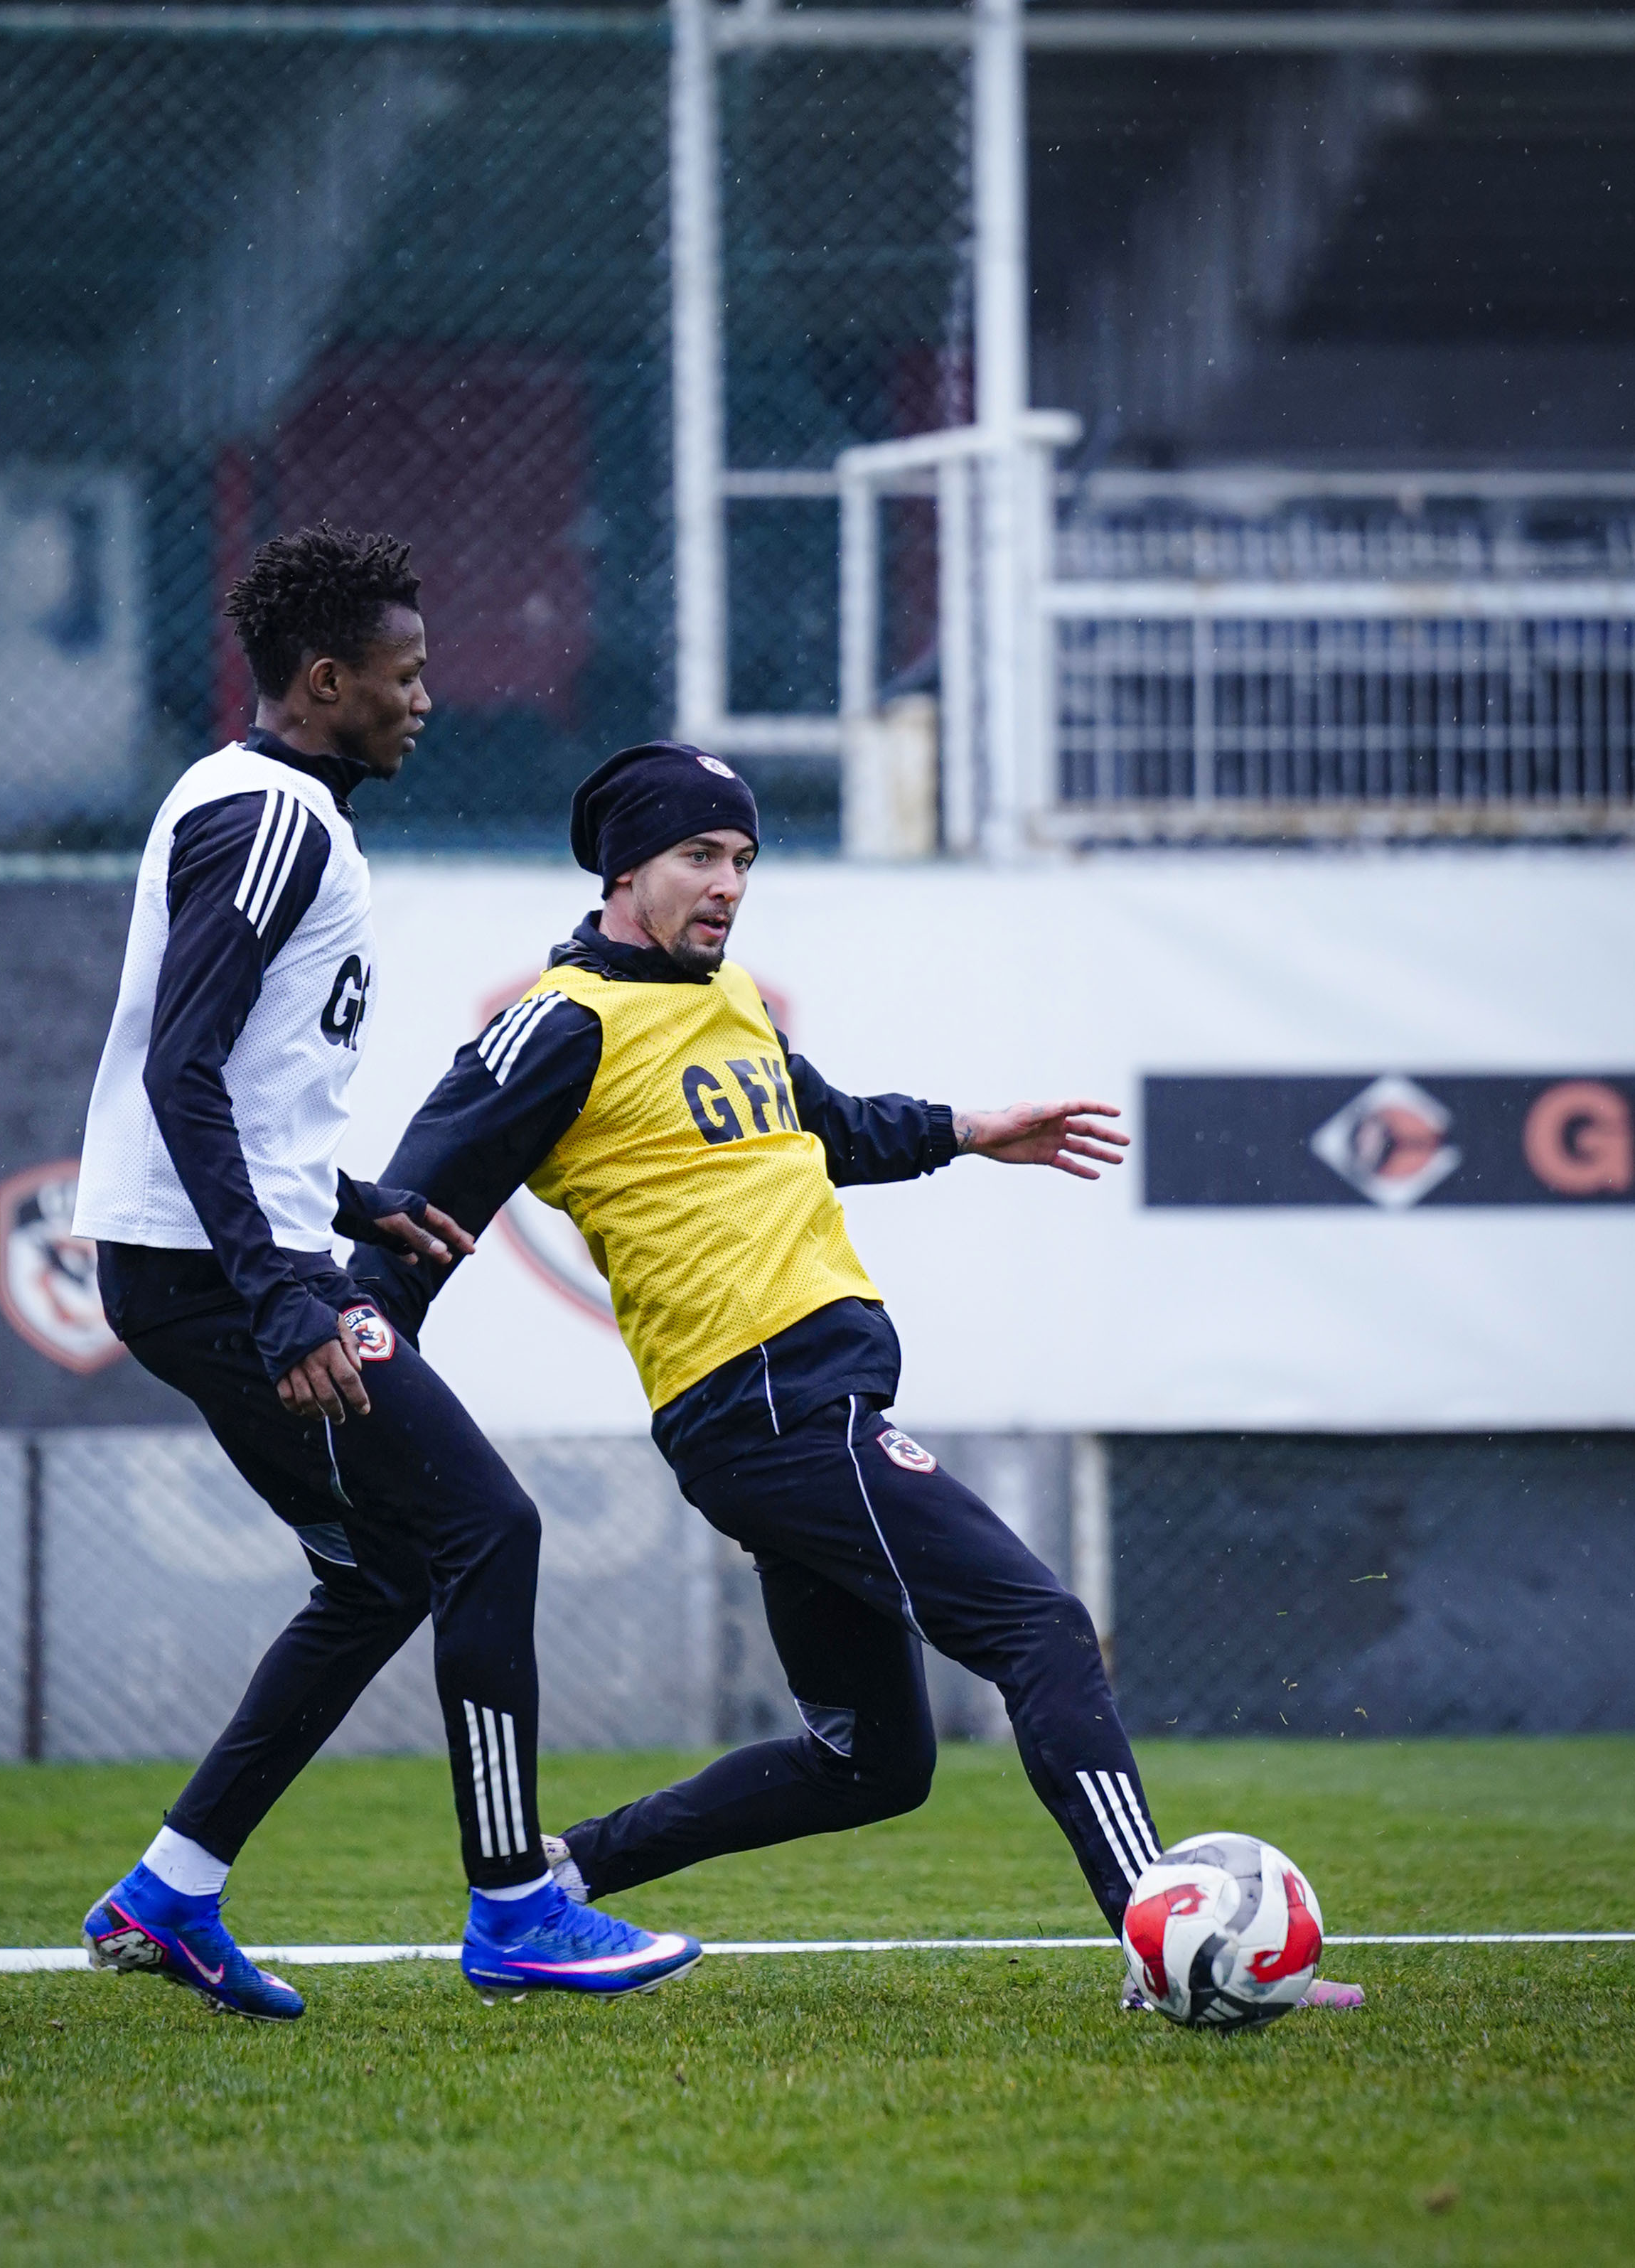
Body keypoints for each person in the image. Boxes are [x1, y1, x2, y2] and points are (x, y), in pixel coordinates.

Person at [353, 741, 1361, 2012]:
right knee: (1041, 1627)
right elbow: (411, 1204)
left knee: (871, 1762)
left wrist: (968, 1131)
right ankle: (1169, 1947)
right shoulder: (561, 1024)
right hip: (769, 1405)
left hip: (796, 1412)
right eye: (699, 856)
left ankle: (563, 1875)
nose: (729, 885)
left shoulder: (727, 999)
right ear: (623, 869)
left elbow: (825, 1127)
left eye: (743, 859)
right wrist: (365, 1339)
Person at [68, 532, 699, 2021]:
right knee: (486, 1526)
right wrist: (284, 1290)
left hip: (211, 1259)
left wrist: (358, 1199)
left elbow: (240, 1080)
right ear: (324, 680)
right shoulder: (272, 817)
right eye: (403, 676)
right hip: (218, 1275)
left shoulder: (269, 810)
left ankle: (167, 1894)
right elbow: (180, 1068)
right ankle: (518, 1909)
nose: (426, 698)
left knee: (382, 1574)